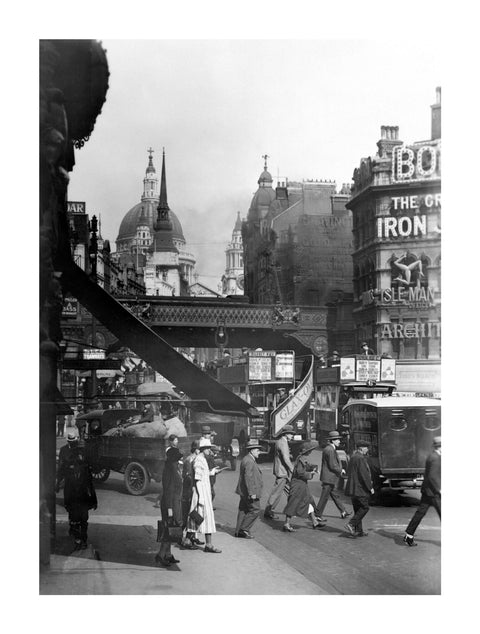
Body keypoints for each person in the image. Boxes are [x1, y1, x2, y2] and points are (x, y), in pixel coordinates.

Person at [55, 432, 97, 549]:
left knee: (83, 518)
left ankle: (82, 539)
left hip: (81, 494)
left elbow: (90, 482)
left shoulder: (83, 459)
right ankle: (78, 537)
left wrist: (93, 500)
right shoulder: (65, 454)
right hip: (72, 492)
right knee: (74, 515)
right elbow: (61, 469)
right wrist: (58, 483)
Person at [404, 436, 441, 547]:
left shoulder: (435, 456)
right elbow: (432, 476)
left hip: (427, 491)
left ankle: (409, 535)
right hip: (434, 492)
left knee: (420, 513)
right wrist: (440, 489)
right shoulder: (435, 457)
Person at [186, 438, 222, 553]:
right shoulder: (199, 460)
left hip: (203, 493)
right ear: (203, 449)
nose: (210, 451)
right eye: (208, 449)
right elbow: (197, 479)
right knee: (200, 517)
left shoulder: (202, 459)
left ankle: (190, 540)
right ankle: (207, 544)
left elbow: (203, 475)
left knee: (198, 518)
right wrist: (201, 497)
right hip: (201, 493)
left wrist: (212, 472)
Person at [283, 440, 326, 532]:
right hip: (298, 484)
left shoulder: (302, 457)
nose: (312, 451)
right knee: (293, 503)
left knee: (308, 501)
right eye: (311, 450)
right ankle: (286, 523)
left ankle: (314, 521)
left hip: (301, 484)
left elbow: (306, 466)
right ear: (307, 451)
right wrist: (311, 473)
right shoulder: (302, 458)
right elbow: (300, 472)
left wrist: (313, 467)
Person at [155, 446, 184, 566]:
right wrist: (170, 509)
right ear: (172, 460)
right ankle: (161, 555)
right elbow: (167, 490)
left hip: (174, 503)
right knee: (168, 530)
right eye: (176, 460)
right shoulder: (169, 470)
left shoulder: (174, 468)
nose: (178, 462)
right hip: (170, 504)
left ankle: (168, 554)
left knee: (172, 529)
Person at [314, 430, 350, 521]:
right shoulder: (330, 449)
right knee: (324, 497)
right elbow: (332, 465)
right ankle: (317, 515)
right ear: (333, 440)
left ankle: (343, 511)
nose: (339, 441)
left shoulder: (330, 448)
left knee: (334, 495)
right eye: (337, 440)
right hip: (329, 477)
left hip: (329, 477)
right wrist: (340, 470)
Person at [344, 440, 374, 537]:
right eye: (366, 448)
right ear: (361, 448)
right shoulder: (360, 458)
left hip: (353, 488)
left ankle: (359, 531)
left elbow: (349, 471)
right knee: (365, 507)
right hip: (359, 488)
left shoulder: (353, 457)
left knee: (357, 508)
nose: (367, 450)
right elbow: (364, 475)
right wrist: (370, 487)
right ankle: (351, 524)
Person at [235, 439, 263, 538]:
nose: (259, 452)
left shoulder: (246, 459)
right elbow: (248, 478)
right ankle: (244, 529)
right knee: (255, 509)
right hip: (249, 491)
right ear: (251, 451)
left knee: (243, 510)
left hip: (243, 491)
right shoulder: (249, 461)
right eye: (257, 450)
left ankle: (238, 531)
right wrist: (252, 493)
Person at [181, 439, 203, 549]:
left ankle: (192, 536)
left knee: (194, 514)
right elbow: (188, 477)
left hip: (193, 490)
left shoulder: (195, 459)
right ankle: (184, 539)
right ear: (196, 450)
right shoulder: (189, 460)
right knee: (188, 515)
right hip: (189, 492)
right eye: (200, 449)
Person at [201, 425, 218, 506]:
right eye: (208, 434)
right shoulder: (203, 443)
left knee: (210, 490)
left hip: (211, 470)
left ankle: (208, 505)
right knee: (210, 492)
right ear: (204, 435)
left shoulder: (207, 442)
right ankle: (207, 506)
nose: (210, 436)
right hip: (207, 471)